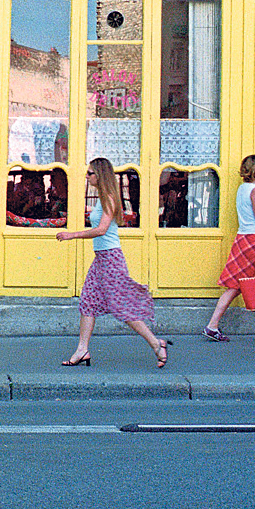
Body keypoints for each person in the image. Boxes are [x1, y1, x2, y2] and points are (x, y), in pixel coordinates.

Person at [55, 157, 168, 369]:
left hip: (111, 258)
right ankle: (82, 350)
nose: (87, 176)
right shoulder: (101, 198)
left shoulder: (108, 197)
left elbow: (101, 230)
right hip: (102, 258)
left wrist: (73, 235)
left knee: (122, 306)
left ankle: (156, 344)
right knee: (88, 301)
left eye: (90, 173)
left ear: (100, 175)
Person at [203, 154, 255, 342]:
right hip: (254, 241)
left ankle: (212, 326)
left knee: (236, 284)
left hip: (243, 238)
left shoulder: (242, 189)